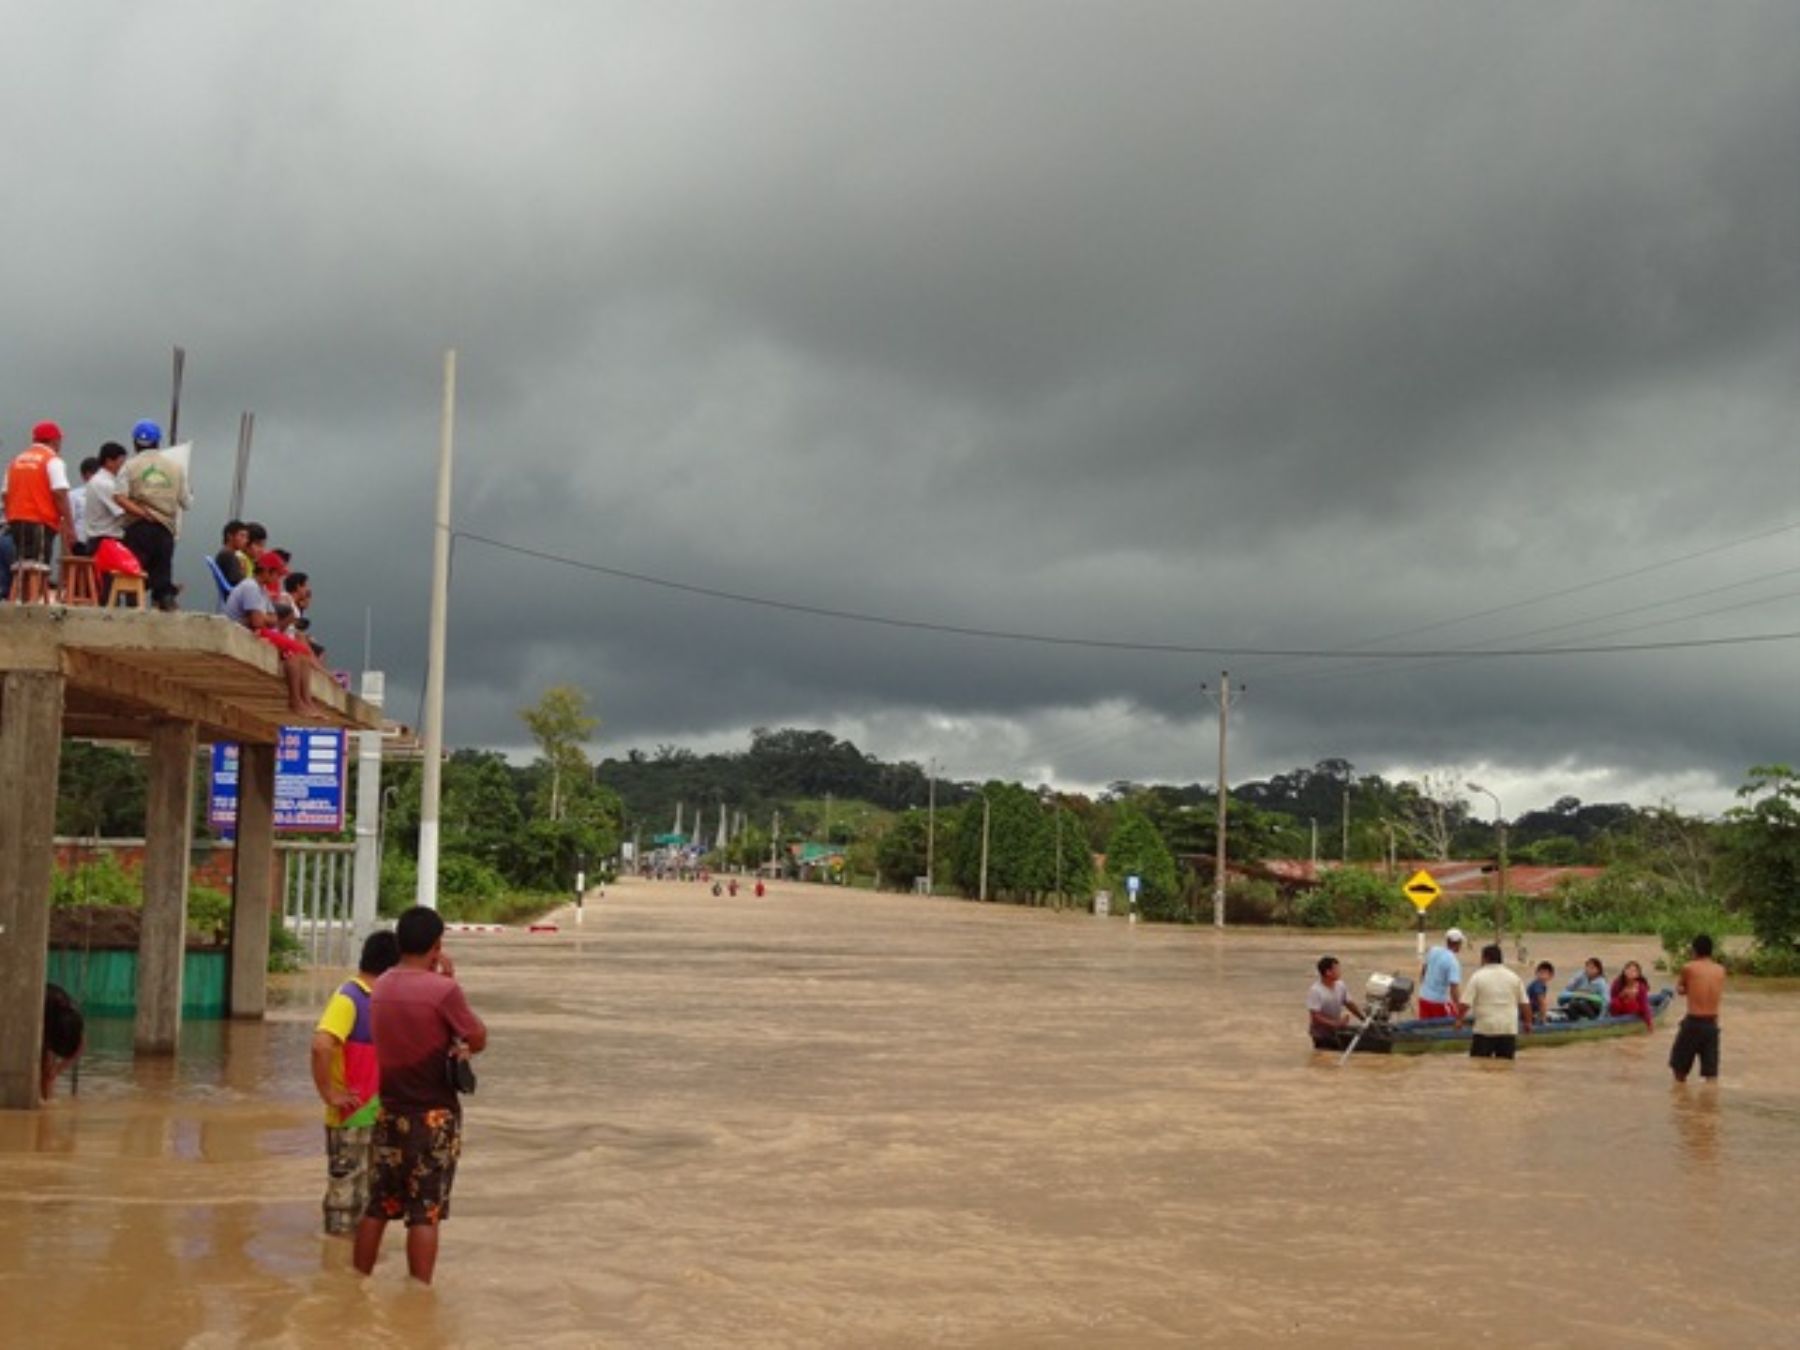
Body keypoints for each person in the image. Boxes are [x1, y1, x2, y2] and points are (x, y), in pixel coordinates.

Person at [354, 906, 487, 1285]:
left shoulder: (380, 987)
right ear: (437, 944)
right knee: (425, 1212)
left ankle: (356, 1282)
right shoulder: (443, 990)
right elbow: (476, 1037)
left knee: (377, 1205)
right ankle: (418, 1295)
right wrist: (448, 980)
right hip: (433, 1116)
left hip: (388, 1110)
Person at [312, 930, 402, 1236]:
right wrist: (328, 1092)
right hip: (350, 1113)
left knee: (368, 1194)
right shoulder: (349, 998)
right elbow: (321, 1044)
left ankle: (351, 1263)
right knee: (344, 1195)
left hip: (375, 1112)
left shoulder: (376, 999)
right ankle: (335, 1261)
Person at [116, 420, 193, 610]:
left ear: (135, 443)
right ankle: (167, 606)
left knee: (134, 575)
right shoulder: (176, 468)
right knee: (162, 576)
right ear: (158, 442)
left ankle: (133, 615)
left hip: (138, 528)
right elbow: (187, 503)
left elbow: (119, 496)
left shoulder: (129, 466)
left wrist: (141, 512)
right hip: (165, 529)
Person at [4, 421, 76, 601]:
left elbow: (5, 493)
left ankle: (21, 601)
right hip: (40, 521)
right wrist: (69, 524)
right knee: (38, 567)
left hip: (15, 520)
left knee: (22, 565)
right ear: (54, 440)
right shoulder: (52, 460)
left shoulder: (16, 460)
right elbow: (59, 492)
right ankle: (33, 607)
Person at [1456, 944, 1532, 1059]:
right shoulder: (1514, 977)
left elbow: (1465, 1003)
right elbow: (1524, 1004)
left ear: (1485, 958)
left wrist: (1459, 1019)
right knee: (1505, 1067)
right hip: (1508, 1028)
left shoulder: (1478, 977)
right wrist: (1528, 1023)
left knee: (1478, 1066)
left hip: (1485, 1029)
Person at [1670, 935, 1726, 1083]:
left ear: (1694, 950)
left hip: (1694, 1021)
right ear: (1711, 951)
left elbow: (1681, 990)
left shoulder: (1689, 967)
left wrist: (1684, 988)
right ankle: (1709, 1103)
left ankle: (1681, 1099)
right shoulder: (1721, 970)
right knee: (1711, 1074)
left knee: (1679, 1068)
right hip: (1712, 1023)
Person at [1307, 955, 1365, 1048]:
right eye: (1337, 969)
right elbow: (1315, 1016)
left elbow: (1349, 1003)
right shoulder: (1316, 990)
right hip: (1320, 1035)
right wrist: (1336, 1023)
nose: (1339, 972)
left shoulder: (1340, 985)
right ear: (1328, 972)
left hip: (1336, 1030)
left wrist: (1363, 1018)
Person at [41, 983, 85, 1101]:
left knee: (49, 1072)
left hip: (57, 1015)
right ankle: (46, 1097)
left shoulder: (73, 1019)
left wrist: (58, 1069)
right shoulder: (45, 1012)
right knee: (46, 1069)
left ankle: (47, 1098)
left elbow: (82, 1044)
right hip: (44, 1008)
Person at [1418, 927, 1466, 1019]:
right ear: (1459, 943)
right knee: (1448, 1026)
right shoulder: (1453, 962)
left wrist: (1424, 985)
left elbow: (1424, 969)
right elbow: (1454, 988)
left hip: (1423, 998)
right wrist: (1459, 1007)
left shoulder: (1433, 950)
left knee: (1424, 1028)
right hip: (1439, 1002)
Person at [1609, 960, 1655, 1030]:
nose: (1630, 972)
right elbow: (1612, 998)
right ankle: (1614, 1021)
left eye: (1634, 971)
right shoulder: (1617, 982)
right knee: (1615, 1002)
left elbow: (1643, 1005)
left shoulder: (1640, 987)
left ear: (1638, 974)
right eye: (1628, 969)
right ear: (1624, 971)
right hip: (1618, 1010)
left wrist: (1649, 1023)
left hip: (1633, 1009)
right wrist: (1622, 995)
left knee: (1634, 1004)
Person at [68, 456, 99, 553]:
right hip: (80, 543)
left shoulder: (109, 495)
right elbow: (68, 523)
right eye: (92, 474)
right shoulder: (74, 495)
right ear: (84, 476)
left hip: (101, 542)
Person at [214, 520, 249, 587]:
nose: (246, 540)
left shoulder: (226, 553)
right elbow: (237, 580)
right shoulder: (228, 555)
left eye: (246, 537)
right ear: (229, 536)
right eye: (242, 536)